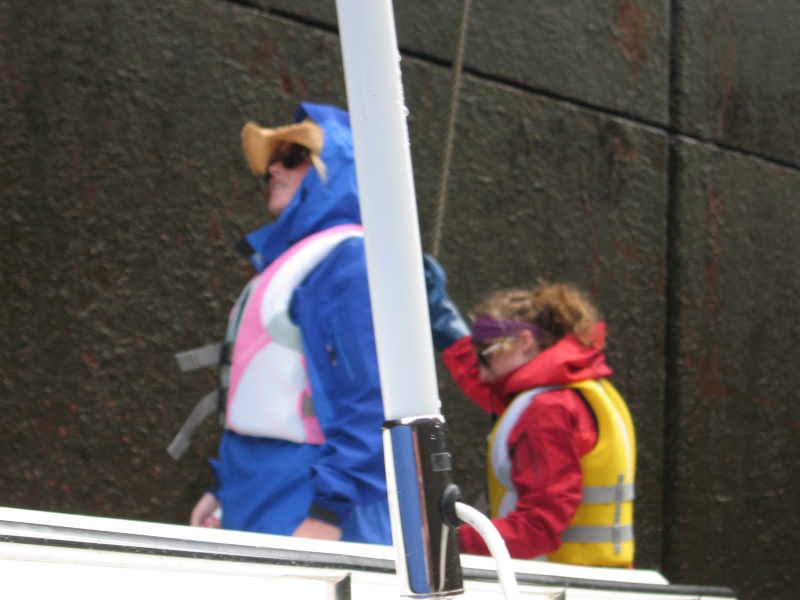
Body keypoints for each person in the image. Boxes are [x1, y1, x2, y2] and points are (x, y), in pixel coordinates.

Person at [188, 103, 391, 544]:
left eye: (294, 156)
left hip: (312, 501)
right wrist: (223, 491)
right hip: (256, 493)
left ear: (336, 164)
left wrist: (328, 512)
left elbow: (373, 400)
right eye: (272, 163)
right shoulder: (289, 264)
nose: (275, 168)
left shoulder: (350, 261)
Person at [424, 255, 636, 566]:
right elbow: (489, 387)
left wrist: (441, 541)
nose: (481, 371)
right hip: (598, 579)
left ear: (524, 342)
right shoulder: (585, 389)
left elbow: (538, 527)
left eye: (486, 354)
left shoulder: (547, 409)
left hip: (559, 580)